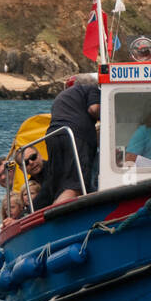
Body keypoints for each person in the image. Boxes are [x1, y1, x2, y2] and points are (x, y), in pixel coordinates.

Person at [43, 77, 102, 205]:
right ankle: (56, 219)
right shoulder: (91, 88)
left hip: (52, 136)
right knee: (76, 186)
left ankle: (52, 213)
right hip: (75, 137)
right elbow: (94, 109)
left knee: (61, 186)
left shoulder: (62, 96)